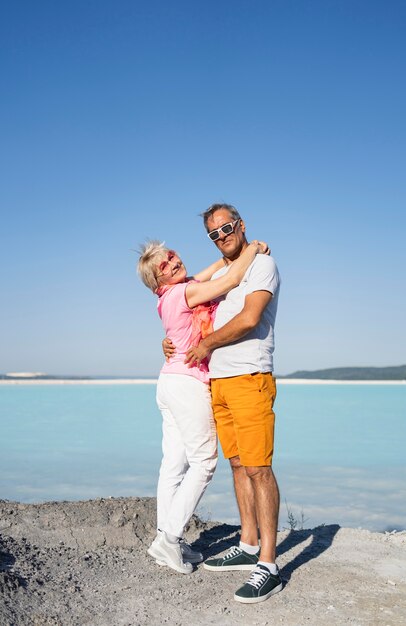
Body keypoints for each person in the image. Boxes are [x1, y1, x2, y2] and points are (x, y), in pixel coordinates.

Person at [163, 203, 282, 603]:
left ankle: (268, 563)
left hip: (250, 377)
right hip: (218, 381)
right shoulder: (228, 272)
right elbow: (189, 310)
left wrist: (206, 344)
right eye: (213, 234)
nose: (221, 236)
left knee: (259, 468)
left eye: (226, 228)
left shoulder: (262, 265)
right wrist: (175, 344)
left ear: (241, 225)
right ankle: (248, 543)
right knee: (236, 464)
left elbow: (249, 319)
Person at [137, 237, 268, 575]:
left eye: (171, 256)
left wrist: (240, 250)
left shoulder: (174, 293)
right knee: (204, 461)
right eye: (163, 267)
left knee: (174, 464)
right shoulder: (184, 293)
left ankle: (166, 538)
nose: (172, 263)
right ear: (157, 283)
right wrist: (252, 251)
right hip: (188, 384)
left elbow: (218, 268)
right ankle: (170, 537)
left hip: (168, 382)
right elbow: (230, 280)